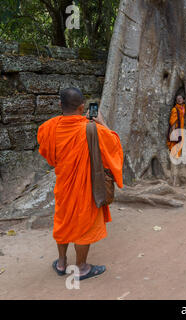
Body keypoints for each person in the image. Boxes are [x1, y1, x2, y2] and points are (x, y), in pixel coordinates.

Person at [37, 88, 123, 281]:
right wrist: (102, 122)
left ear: (60, 105)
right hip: (85, 188)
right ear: (83, 107)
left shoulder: (48, 127)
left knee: (63, 222)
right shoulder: (94, 129)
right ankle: (82, 267)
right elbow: (115, 147)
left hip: (63, 186)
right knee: (84, 226)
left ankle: (61, 263)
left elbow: (48, 154)